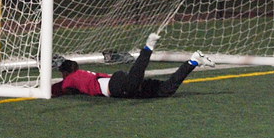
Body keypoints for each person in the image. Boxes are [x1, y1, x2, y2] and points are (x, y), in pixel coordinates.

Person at [51, 32, 214, 99]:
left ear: (65, 72)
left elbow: (57, 89)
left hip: (116, 85)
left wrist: (43, 91)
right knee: (165, 90)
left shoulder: (70, 79)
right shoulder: (81, 73)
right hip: (119, 82)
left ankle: (148, 47)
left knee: (132, 85)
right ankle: (193, 61)